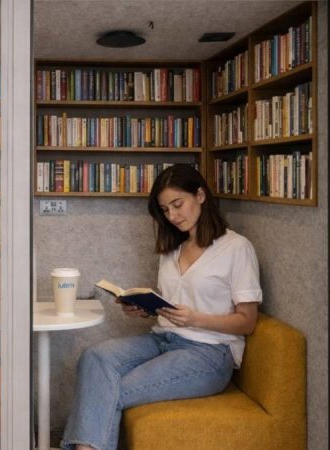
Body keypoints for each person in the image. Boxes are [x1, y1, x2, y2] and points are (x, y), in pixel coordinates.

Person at [61, 165, 262, 450]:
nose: (172, 216)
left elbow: (247, 321)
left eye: (177, 205)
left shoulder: (237, 248)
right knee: (95, 358)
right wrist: (144, 307)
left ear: (201, 195)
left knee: (107, 390)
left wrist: (196, 319)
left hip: (208, 353)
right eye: (165, 209)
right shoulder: (173, 248)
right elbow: (172, 304)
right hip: (162, 339)